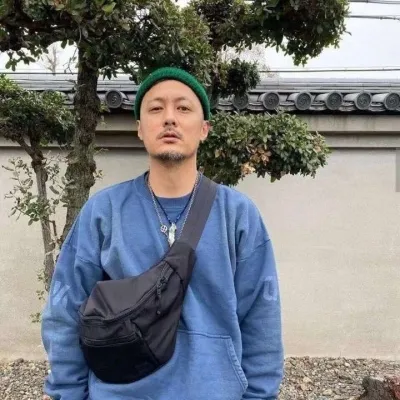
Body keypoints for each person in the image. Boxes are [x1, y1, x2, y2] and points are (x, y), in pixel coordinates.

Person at [41, 67, 284, 400]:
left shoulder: (238, 215)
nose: (169, 118)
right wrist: (67, 392)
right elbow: (65, 309)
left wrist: (259, 395)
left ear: (204, 128)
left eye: (183, 108)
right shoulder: (104, 211)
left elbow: (261, 317)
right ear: (140, 129)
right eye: (156, 108)